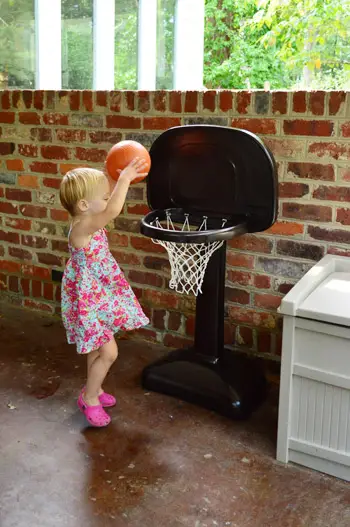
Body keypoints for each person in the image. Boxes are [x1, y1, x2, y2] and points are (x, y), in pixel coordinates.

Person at [59, 159, 149, 427]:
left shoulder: (86, 221)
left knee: (96, 349)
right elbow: (111, 211)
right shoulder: (83, 228)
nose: (109, 197)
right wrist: (125, 180)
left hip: (98, 296)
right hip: (89, 300)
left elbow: (105, 205)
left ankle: (94, 389)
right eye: (104, 195)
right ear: (84, 205)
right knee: (109, 352)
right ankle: (90, 398)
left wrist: (114, 179)